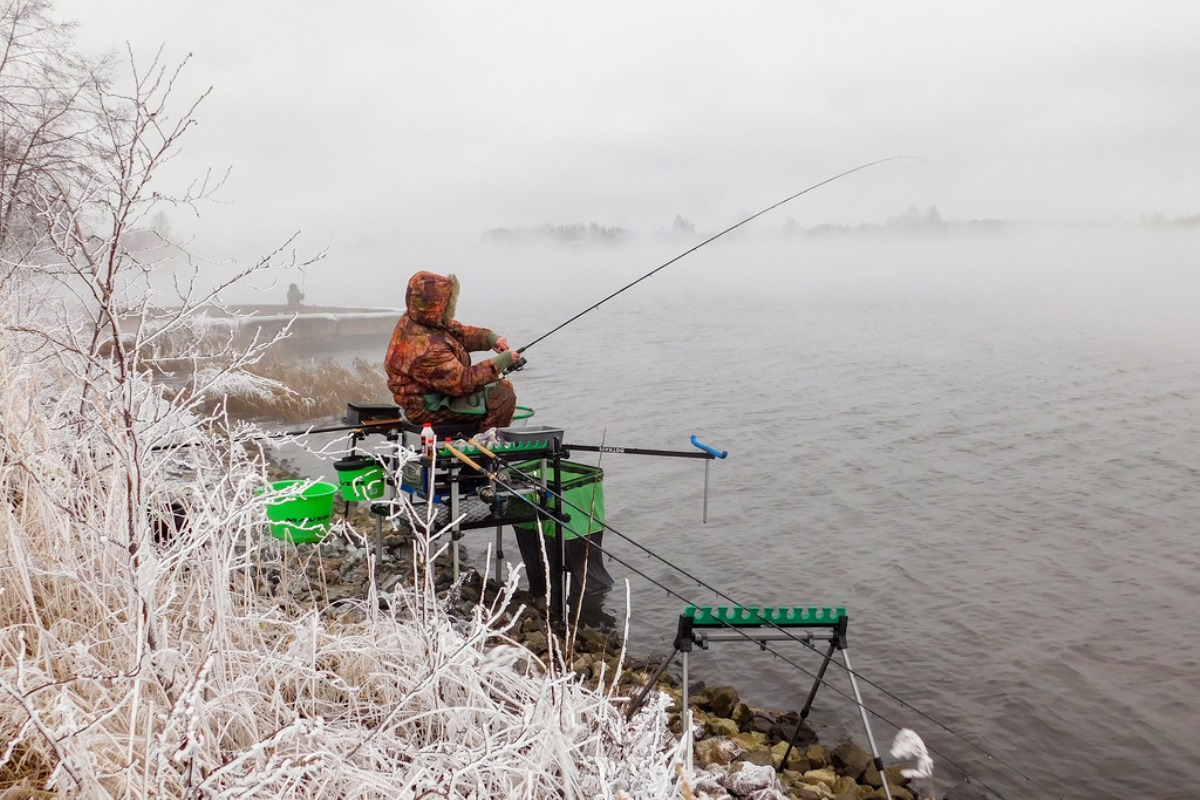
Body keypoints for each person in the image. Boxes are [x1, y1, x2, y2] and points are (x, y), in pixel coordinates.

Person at [384, 271, 522, 432]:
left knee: (497, 387)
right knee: (502, 395)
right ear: (437, 305)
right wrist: (501, 362)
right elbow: (463, 382)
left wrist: (490, 338)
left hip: (437, 394)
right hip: (427, 408)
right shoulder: (426, 347)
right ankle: (484, 445)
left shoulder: (419, 318)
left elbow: (459, 332)